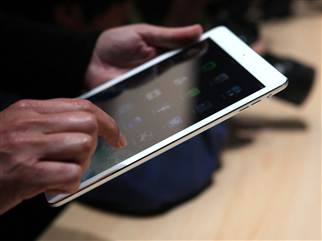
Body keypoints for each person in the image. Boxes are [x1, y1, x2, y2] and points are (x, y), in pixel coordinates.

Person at [0, 9, 203, 239]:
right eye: (124, 16)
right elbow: (155, 183)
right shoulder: (31, 121)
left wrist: (82, 55)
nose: (130, 21)